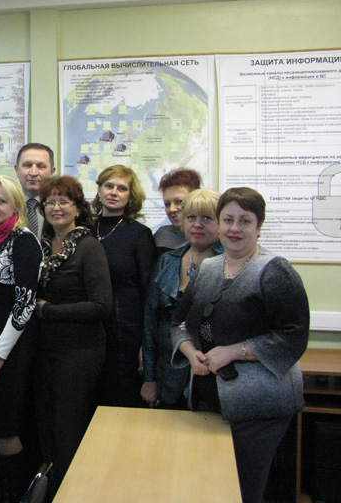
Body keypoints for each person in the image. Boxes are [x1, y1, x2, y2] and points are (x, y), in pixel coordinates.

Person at [171, 187, 309, 503]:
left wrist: (235, 352)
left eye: (244, 221)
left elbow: (293, 336)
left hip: (259, 406)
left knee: (242, 492)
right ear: (219, 224)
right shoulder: (208, 268)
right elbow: (177, 323)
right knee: (209, 490)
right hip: (208, 400)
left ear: (258, 227)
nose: (234, 228)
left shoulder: (275, 270)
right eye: (228, 220)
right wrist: (189, 351)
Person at [34, 176, 112, 498]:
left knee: (68, 430)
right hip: (44, 351)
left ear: (78, 208)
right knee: (46, 429)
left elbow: (102, 306)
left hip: (79, 352)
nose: (56, 208)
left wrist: (48, 310)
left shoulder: (89, 247)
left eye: (64, 201)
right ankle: (50, 491)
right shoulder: (40, 245)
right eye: (50, 202)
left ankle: (72, 494)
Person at [0, 175, 42, 503]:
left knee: (3, 427)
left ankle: (21, 496)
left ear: (15, 205)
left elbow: (25, 304)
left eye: (1, 201)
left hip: (9, 350)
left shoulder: (23, 240)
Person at [141, 188, 223, 409]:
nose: (197, 224)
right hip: (168, 373)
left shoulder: (230, 263)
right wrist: (149, 378)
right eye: (191, 218)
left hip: (214, 375)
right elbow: (150, 322)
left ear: (221, 223)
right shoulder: (168, 260)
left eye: (207, 218)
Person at [91, 164, 155, 408]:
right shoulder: (84, 229)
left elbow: (148, 291)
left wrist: (145, 344)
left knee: (121, 401)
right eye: (108, 186)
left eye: (122, 188)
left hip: (126, 333)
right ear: (99, 190)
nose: (114, 192)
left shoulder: (139, 234)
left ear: (131, 196)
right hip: (90, 330)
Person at [153, 168, 202, 258]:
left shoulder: (210, 236)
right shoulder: (162, 236)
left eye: (179, 202)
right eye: (167, 204)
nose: (172, 209)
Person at [14, 143, 55, 238]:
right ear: (17, 170)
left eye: (41, 166)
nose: (33, 173)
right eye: (27, 165)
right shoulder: (6, 207)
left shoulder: (60, 209)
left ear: (52, 172)